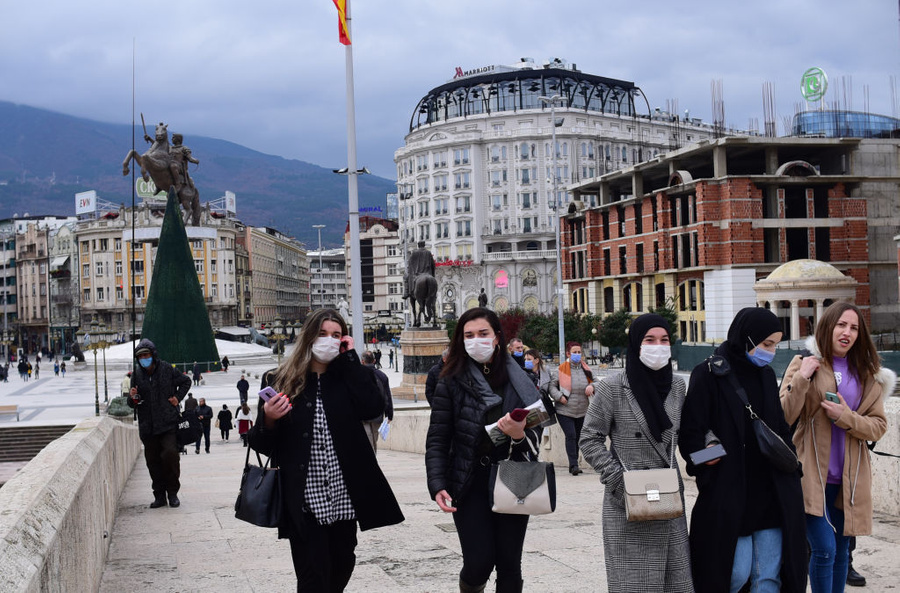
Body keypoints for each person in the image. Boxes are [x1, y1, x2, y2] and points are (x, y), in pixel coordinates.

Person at [248, 308, 404, 591]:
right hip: (304, 499)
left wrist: (350, 359)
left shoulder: (351, 376)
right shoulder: (278, 380)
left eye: (336, 335)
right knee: (312, 578)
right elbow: (262, 445)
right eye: (322, 334)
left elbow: (372, 408)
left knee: (342, 567)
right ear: (308, 337)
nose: (329, 340)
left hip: (345, 497)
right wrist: (269, 418)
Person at [680, 307, 807, 593]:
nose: (771, 351)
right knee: (733, 575)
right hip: (729, 495)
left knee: (768, 578)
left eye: (775, 344)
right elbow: (689, 438)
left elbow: (780, 427)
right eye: (766, 344)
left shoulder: (764, 375)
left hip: (770, 493)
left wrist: (792, 462)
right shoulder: (708, 374)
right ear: (747, 338)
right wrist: (709, 458)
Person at [425, 307, 541, 593]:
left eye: (483, 334)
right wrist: (437, 483)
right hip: (469, 479)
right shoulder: (450, 378)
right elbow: (439, 436)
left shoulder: (522, 379)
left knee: (509, 564)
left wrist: (516, 435)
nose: (476, 340)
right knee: (478, 562)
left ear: (497, 337)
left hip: (513, 475)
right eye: (469, 335)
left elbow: (537, 428)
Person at [780, 302, 893, 593]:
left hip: (850, 479)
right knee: (825, 549)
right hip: (811, 476)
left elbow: (879, 425)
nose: (847, 332)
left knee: (842, 551)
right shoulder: (804, 363)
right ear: (828, 326)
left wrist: (846, 417)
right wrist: (802, 378)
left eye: (854, 327)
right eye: (842, 325)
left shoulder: (868, 373)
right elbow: (784, 416)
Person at [580, 314, 693, 592]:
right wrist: (619, 482)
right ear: (635, 344)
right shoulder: (611, 387)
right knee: (635, 584)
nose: (659, 346)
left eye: (665, 340)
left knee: (674, 584)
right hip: (628, 501)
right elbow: (589, 438)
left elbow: (691, 430)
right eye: (650, 340)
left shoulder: (678, 386)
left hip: (668, 500)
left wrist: (711, 448)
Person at [127, 339, 192, 509]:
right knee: (153, 462)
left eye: (146, 355)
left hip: (168, 423)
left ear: (153, 355)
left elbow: (186, 382)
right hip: (147, 427)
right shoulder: (136, 374)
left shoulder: (167, 369)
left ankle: (172, 492)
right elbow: (132, 402)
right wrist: (132, 396)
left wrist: (177, 398)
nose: (144, 359)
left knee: (170, 455)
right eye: (140, 356)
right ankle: (159, 495)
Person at [550, 342, 597, 475]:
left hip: (582, 410)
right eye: (574, 352)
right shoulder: (560, 369)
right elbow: (552, 387)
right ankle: (573, 465)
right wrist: (559, 396)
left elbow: (598, 382)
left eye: (579, 352)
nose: (577, 355)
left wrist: (592, 386)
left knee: (578, 437)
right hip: (564, 410)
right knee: (571, 435)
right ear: (568, 354)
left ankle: (574, 462)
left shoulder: (586, 369)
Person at [361, 350, 393, 452]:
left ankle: (369, 464)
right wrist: (389, 414)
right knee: (373, 441)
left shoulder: (358, 375)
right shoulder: (382, 376)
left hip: (362, 416)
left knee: (367, 442)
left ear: (362, 361)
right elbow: (387, 396)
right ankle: (371, 462)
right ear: (374, 361)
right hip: (377, 416)